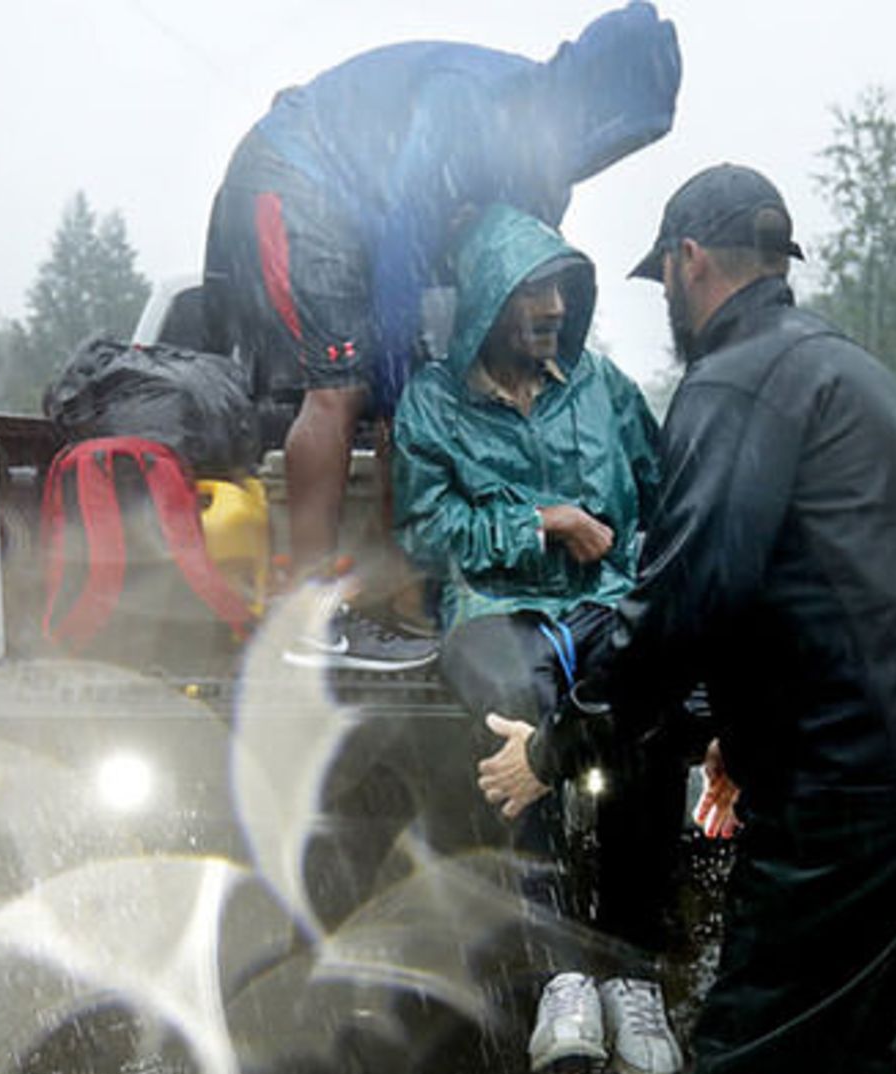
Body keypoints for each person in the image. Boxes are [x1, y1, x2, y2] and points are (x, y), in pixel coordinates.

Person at [478, 164, 896, 1074]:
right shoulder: (844, 368)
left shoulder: (731, 384)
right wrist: (738, 724)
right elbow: (831, 575)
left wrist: (552, 749)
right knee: (856, 1033)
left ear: (686, 263)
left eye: (664, 281)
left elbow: (686, 604)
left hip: (854, 783)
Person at [203, 3, 680, 669]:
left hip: (364, 209)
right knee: (343, 385)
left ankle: (396, 590)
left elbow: (512, 268)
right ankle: (302, 613)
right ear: (590, 95)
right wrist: (407, 397)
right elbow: (404, 248)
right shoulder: (474, 103)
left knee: (412, 394)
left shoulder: (544, 159)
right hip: (302, 175)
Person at [395, 204, 685, 1074]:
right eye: (533, 290)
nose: (555, 305)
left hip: (603, 601)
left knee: (645, 709)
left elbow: (667, 491)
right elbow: (428, 531)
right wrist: (543, 522)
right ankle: (560, 966)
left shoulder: (603, 388)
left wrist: (650, 576)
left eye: (562, 287)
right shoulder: (432, 405)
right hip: (493, 607)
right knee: (510, 706)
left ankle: (632, 973)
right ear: (487, 301)